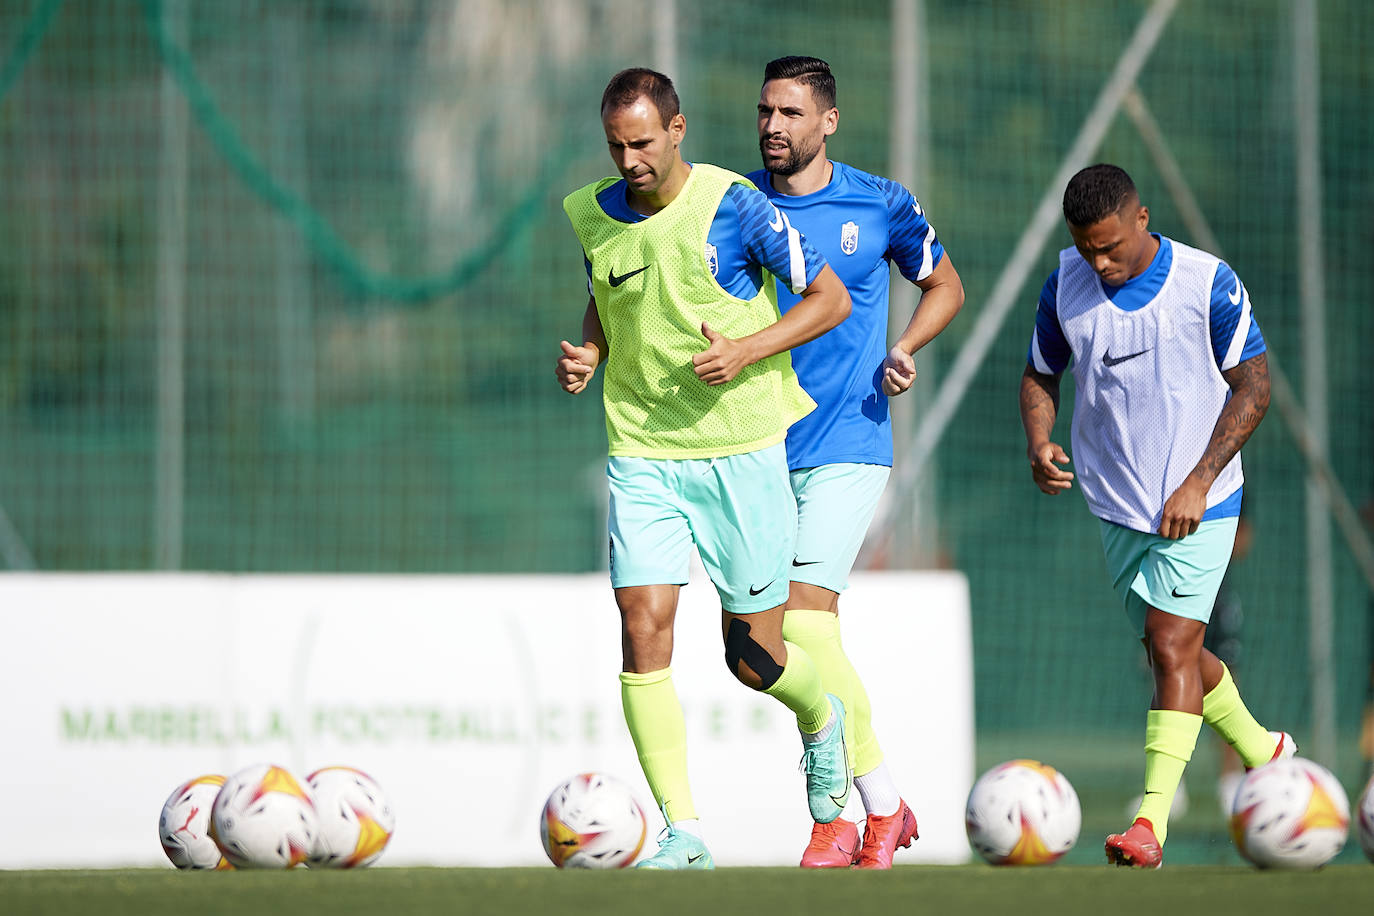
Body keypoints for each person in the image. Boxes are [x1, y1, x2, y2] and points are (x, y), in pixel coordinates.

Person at [555, 67, 854, 870]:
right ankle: (683, 833)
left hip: (741, 449)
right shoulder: (589, 213)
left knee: (753, 659)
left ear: (678, 130)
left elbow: (829, 301)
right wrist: (590, 351)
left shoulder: (734, 205)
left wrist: (746, 349)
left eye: (644, 143)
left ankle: (824, 723)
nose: (630, 161)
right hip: (643, 453)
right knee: (641, 628)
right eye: (617, 146)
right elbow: (608, 296)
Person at [1018, 163, 1293, 868]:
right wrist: (1039, 439)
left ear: (1142, 218)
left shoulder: (1207, 284)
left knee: (1170, 645)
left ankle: (1149, 825)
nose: (1100, 262)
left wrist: (1199, 482)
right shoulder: (1066, 284)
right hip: (1117, 501)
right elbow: (1040, 373)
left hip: (1202, 501)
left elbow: (1254, 388)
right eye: (1086, 248)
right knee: (1172, 647)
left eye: (1110, 246)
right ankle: (1267, 750)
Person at [744, 56, 964, 869]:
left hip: (850, 441)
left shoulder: (880, 204)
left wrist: (904, 345)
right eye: (766, 111)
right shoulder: (734, 208)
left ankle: (843, 813)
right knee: (763, 647)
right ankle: (886, 805)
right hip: (758, 451)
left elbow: (944, 285)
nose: (773, 126)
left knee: (804, 619)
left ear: (827, 121)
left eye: (791, 114)